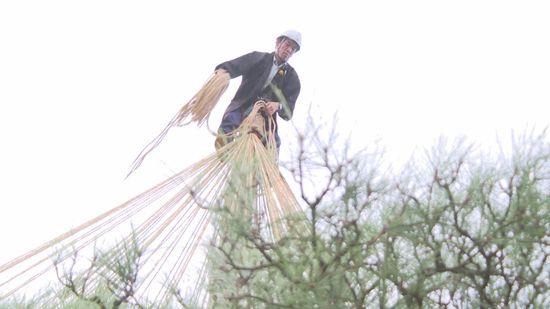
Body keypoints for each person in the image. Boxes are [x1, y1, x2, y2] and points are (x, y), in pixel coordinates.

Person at [214, 30, 301, 150]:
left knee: (274, 144)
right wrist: (223, 70)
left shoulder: (292, 77)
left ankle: (262, 165)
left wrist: (278, 106)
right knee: (229, 123)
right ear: (278, 43)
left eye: (293, 49)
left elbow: (289, 110)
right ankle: (224, 151)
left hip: (265, 116)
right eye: (287, 45)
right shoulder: (258, 58)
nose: (289, 50)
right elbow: (236, 66)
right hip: (243, 105)